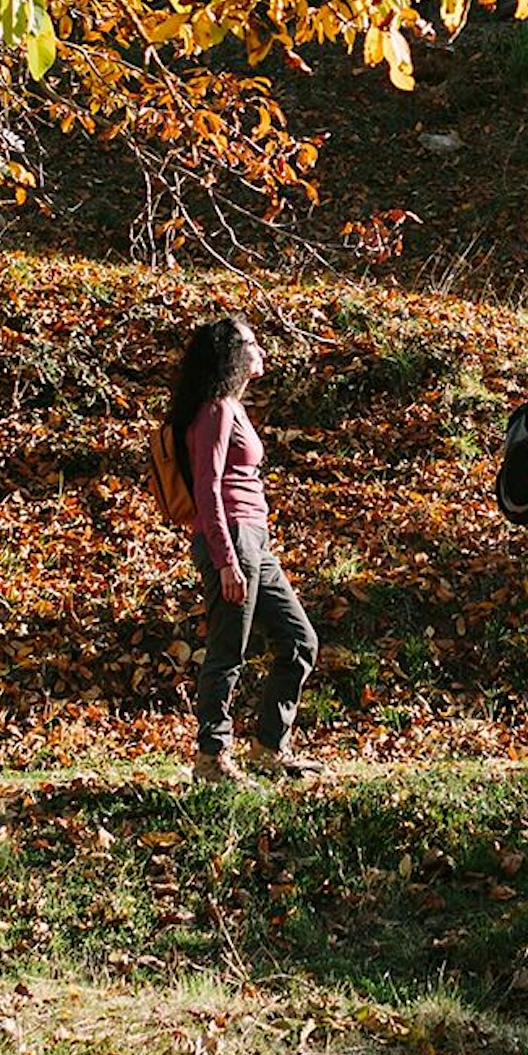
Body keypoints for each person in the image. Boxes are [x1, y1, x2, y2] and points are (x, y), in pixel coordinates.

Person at [167, 315, 322, 783]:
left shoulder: (231, 406)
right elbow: (207, 488)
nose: (260, 350)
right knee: (227, 651)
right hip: (231, 539)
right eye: (251, 343)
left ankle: (268, 747)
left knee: (299, 639)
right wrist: (226, 560)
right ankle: (211, 757)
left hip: (254, 540)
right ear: (230, 354)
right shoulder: (216, 410)